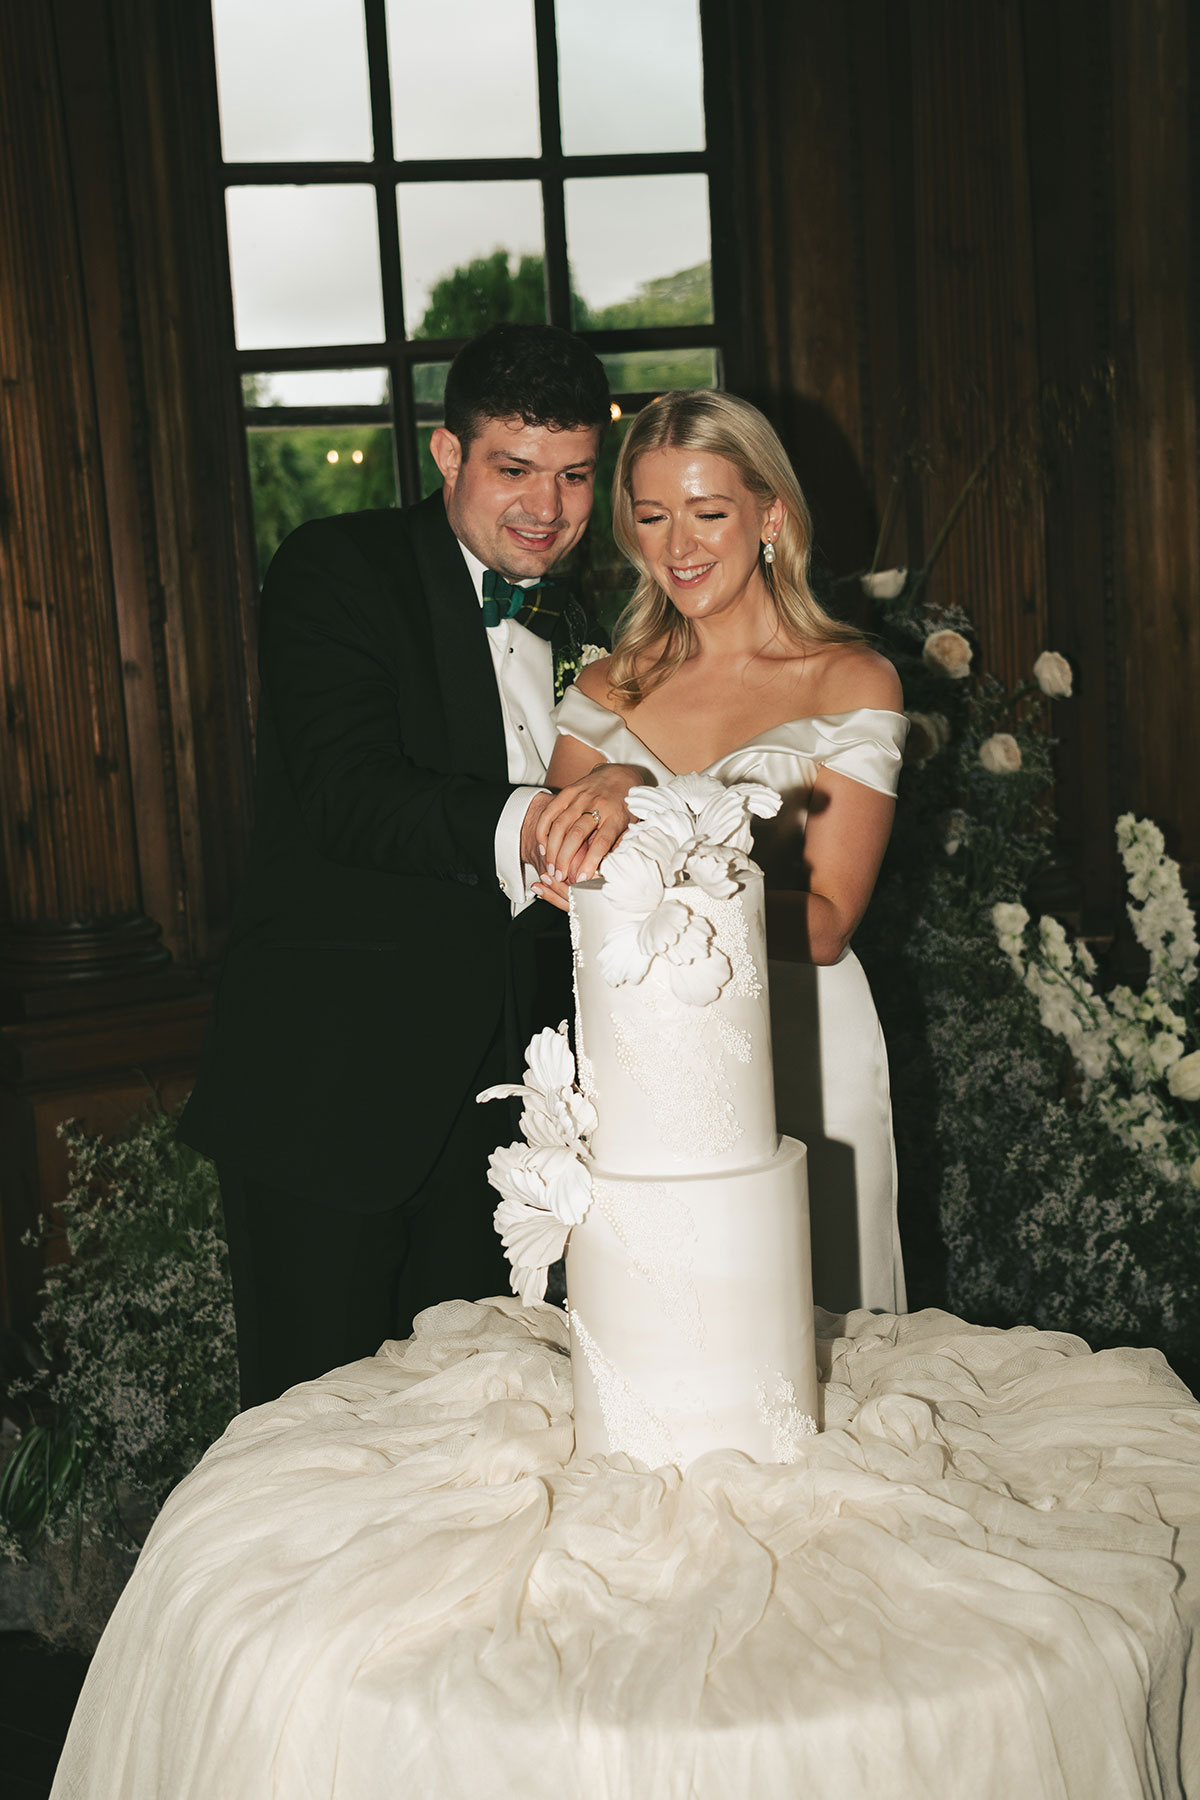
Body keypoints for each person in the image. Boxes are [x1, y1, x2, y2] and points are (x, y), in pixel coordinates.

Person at [179, 323, 644, 1406]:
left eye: (576, 475)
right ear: (448, 454)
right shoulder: (338, 568)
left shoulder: (587, 616)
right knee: (319, 1429)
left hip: (510, 1119)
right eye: (514, 469)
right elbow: (349, 795)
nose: (547, 507)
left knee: (486, 1431)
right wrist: (540, 825)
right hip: (336, 1094)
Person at [534, 389, 908, 1313]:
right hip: (641, 1046)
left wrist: (640, 816)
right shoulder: (604, 692)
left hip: (803, 1039)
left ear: (769, 516)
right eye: (652, 516)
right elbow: (559, 882)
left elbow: (827, 923)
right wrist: (602, 814)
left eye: (708, 512)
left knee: (818, 1327)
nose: (679, 546)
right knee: (665, 1326)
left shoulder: (851, 680)